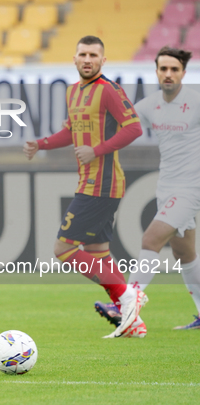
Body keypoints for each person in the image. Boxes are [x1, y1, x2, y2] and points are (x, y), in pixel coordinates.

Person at [23, 35, 146, 338]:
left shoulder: (109, 91)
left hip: (102, 183)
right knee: (97, 250)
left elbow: (134, 128)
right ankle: (133, 322)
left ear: (104, 60)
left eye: (93, 55)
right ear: (75, 59)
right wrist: (41, 144)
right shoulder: (73, 92)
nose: (88, 59)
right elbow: (70, 130)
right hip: (88, 181)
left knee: (63, 248)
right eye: (83, 54)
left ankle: (129, 295)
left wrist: (98, 149)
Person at [95, 47, 200, 331]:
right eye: (163, 69)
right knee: (185, 254)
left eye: (174, 69)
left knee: (151, 239)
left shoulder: (196, 101)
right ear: (156, 72)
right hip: (167, 187)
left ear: (183, 73)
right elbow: (121, 125)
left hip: (191, 189)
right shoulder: (150, 104)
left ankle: (124, 306)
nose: (168, 74)